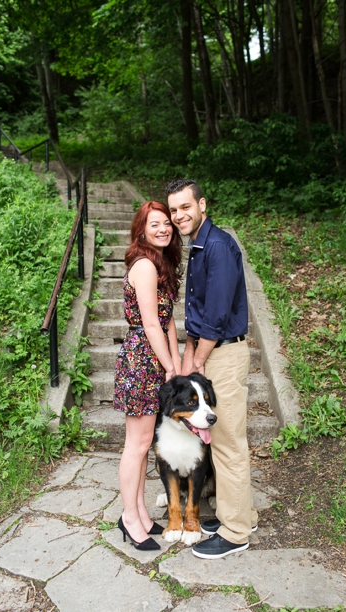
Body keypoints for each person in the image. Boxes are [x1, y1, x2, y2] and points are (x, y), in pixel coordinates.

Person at [165, 178, 258, 559]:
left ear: (202, 204)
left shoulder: (217, 246)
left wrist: (197, 361)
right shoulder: (199, 245)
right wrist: (192, 353)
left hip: (223, 352)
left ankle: (236, 534)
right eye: (173, 210)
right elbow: (201, 313)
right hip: (211, 349)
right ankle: (243, 515)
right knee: (226, 442)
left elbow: (217, 317)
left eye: (185, 207)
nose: (179, 215)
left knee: (228, 446)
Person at [114, 200, 183, 551]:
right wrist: (169, 366)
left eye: (166, 224)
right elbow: (151, 323)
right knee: (137, 445)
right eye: (154, 224)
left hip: (153, 357)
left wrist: (176, 360)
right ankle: (129, 518)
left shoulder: (160, 263)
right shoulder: (143, 265)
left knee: (144, 446)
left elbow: (168, 319)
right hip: (142, 360)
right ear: (141, 229)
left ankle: (140, 512)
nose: (163, 229)